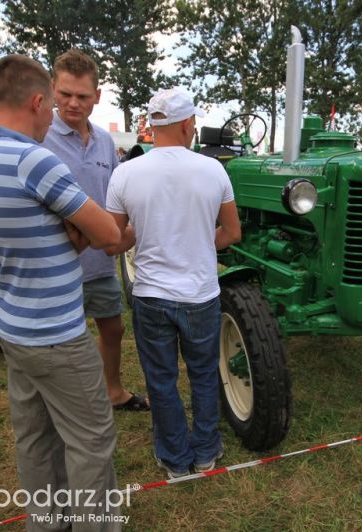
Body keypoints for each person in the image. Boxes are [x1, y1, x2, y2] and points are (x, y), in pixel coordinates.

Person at [0, 54, 125, 530]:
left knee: (34, 436)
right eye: (56, 101)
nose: (61, 109)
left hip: (11, 322)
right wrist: (81, 228)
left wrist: (74, 230)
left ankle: (47, 521)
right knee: (91, 439)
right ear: (39, 101)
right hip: (55, 331)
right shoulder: (34, 159)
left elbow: (44, 236)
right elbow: (108, 235)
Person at [106, 87, 242, 478]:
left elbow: (117, 239)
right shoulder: (214, 169)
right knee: (203, 373)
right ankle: (204, 450)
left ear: (151, 125)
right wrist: (201, 241)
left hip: (151, 296)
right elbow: (232, 233)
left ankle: (174, 458)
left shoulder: (126, 172)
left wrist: (147, 232)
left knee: (161, 379)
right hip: (200, 294)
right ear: (187, 125)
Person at [41, 49, 148, 412]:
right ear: (52, 89)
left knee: (113, 329)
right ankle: (65, 404)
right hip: (57, 261)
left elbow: (115, 192)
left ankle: (113, 391)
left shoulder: (104, 142)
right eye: (66, 93)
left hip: (100, 259)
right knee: (59, 341)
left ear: (97, 97)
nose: (73, 103)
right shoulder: (39, 138)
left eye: (83, 96)